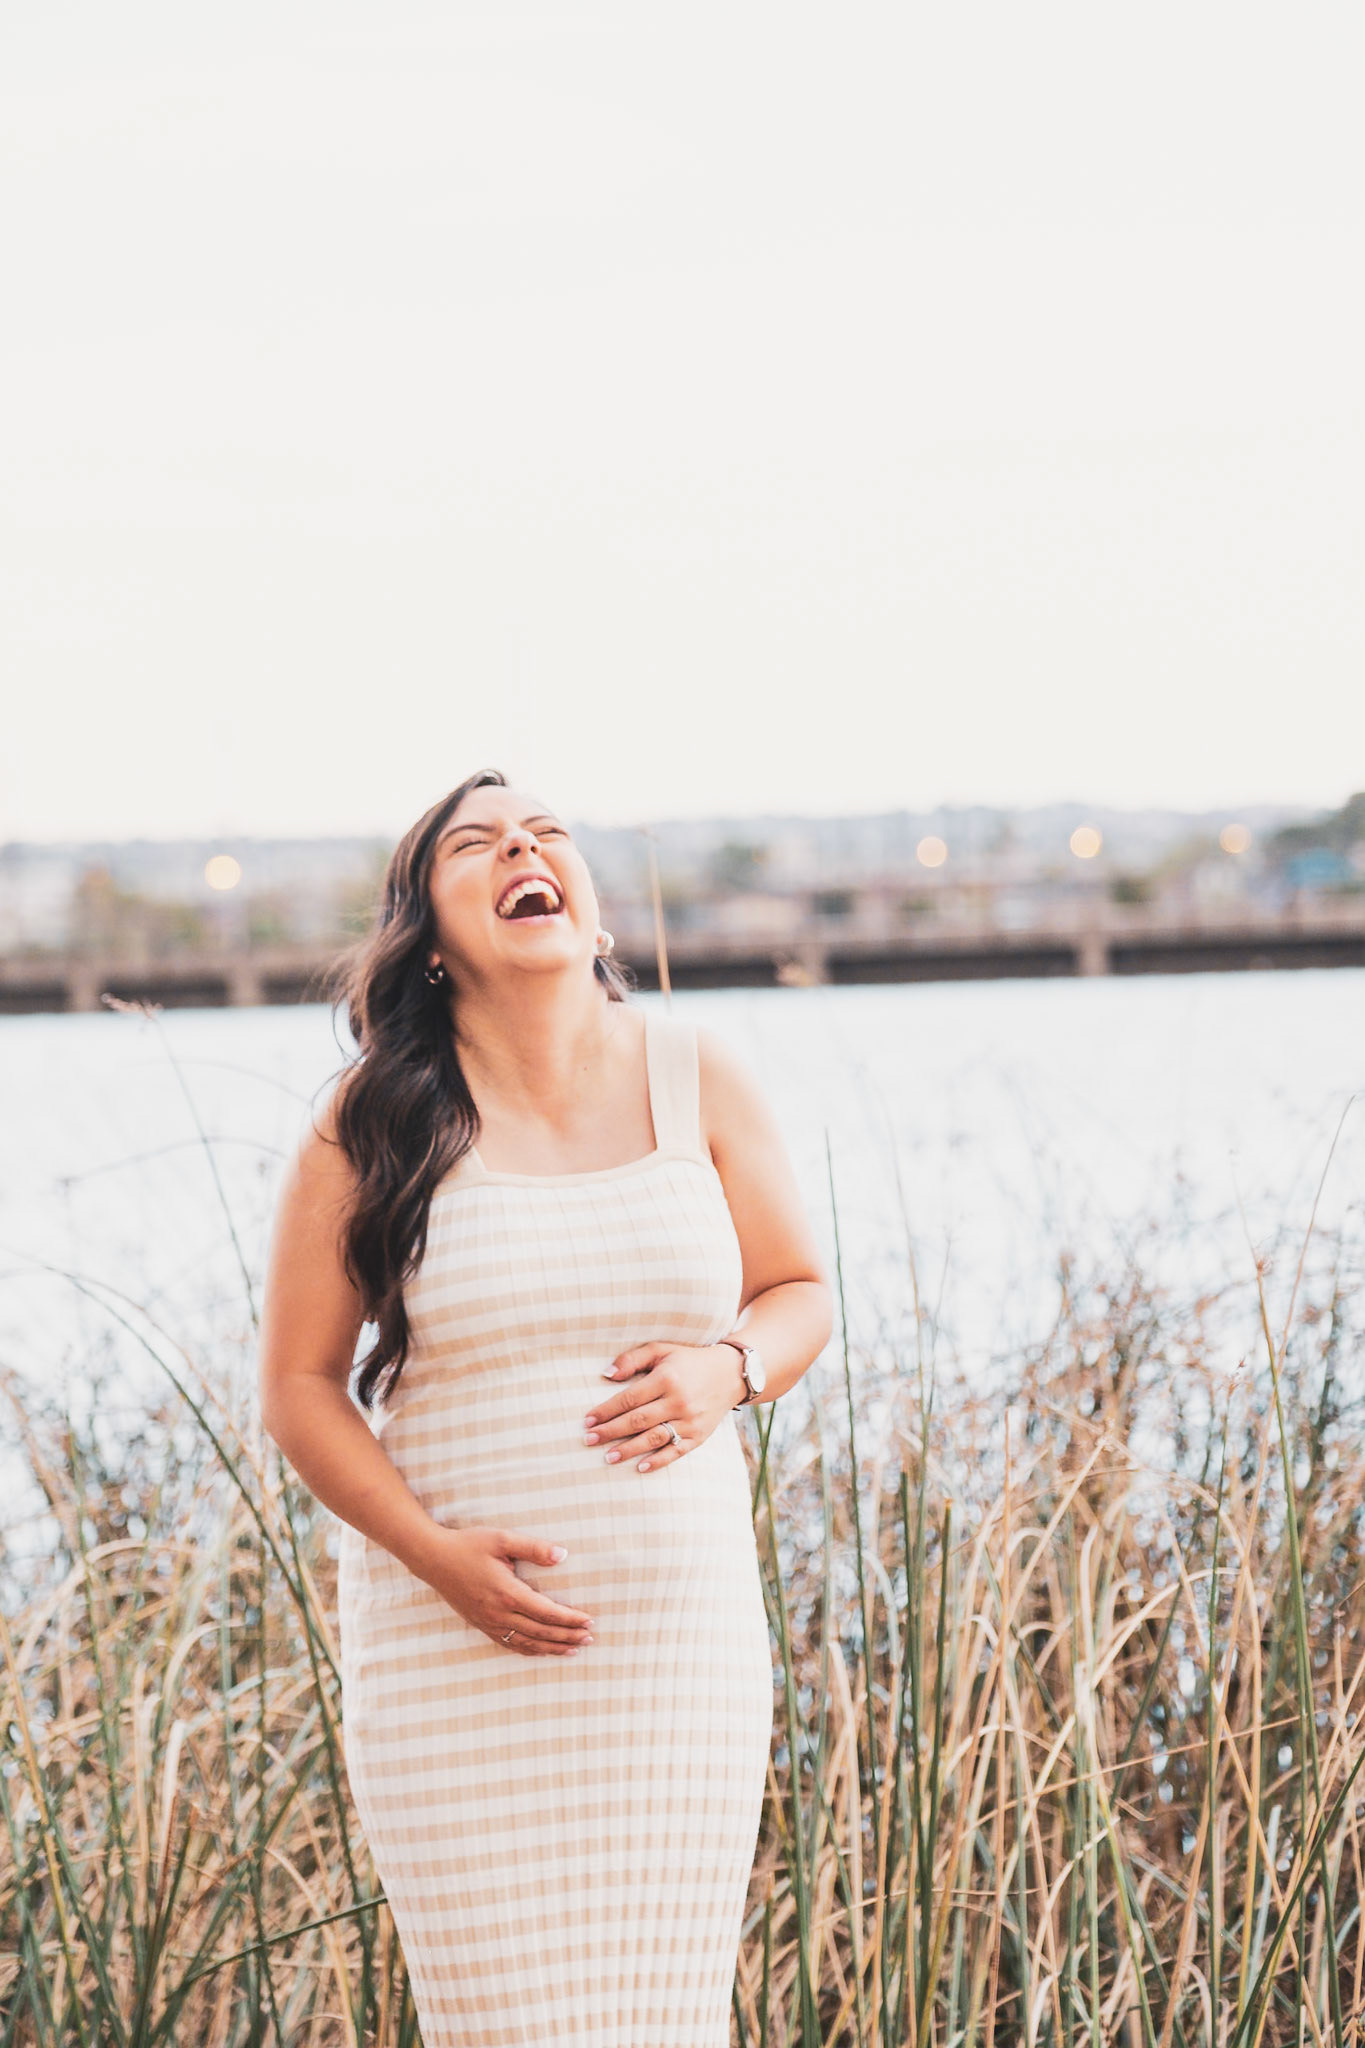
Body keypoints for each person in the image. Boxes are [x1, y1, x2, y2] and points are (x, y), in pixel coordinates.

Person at [259, 768, 833, 2047]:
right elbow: (298, 1389)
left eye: (546, 831)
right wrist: (435, 1556)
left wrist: (727, 1367)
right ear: (430, 936)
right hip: (454, 1657)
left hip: (680, 1660)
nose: (524, 847)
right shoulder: (371, 1118)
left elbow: (798, 1290)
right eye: (479, 843)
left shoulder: (695, 1071)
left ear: (587, 899)